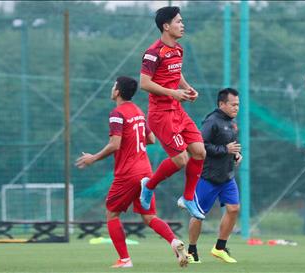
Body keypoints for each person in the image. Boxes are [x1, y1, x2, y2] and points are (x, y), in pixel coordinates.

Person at [75, 76, 189, 268]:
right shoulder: (137, 111)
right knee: (149, 217)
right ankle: (173, 241)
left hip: (127, 173)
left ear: (117, 92)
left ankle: (125, 260)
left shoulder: (116, 114)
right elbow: (151, 139)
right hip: (145, 171)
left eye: (113, 86)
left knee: (112, 214)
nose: (112, 88)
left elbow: (115, 144)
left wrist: (93, 158)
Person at [139, 6, 206, 220]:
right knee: (180, 160)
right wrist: (172, 93)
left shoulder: (178, 49)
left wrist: (187, 88)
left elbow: (176, 73)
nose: (182, 24)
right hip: (161, 114)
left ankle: (188, 198)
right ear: (166, 26)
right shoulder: (152, 53)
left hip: (177, 110)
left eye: (182, 21)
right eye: (178, 21)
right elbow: (144, 83)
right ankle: (148, 185)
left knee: (200, 152)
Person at [186, 88, 242, 264]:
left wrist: (235, 155)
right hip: (208, 177)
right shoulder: (212, 121)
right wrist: (225, 149)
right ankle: (191, 250)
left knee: (234, 209)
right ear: (222, 104)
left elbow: (230, 146)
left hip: (227, 177)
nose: (236, 108)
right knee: (199, 215)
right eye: (233, 105)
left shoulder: (232, 123)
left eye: (238, 105)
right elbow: (200, 146)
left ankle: (219, 248)